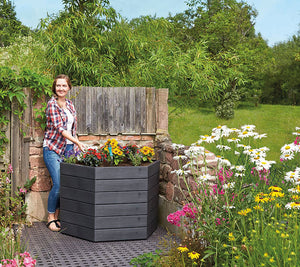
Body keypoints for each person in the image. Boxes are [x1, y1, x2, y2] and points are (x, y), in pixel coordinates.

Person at [43, 74, 86, 232]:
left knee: (66, 184)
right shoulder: (52, 105)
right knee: (59, 183)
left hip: (68, 149)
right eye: (58, 85)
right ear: (54, 88)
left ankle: (59, 216)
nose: (61, 88)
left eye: (64, 85)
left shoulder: (70, 104)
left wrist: (76, 145)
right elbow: (61, 130)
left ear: (69, 88)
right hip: (53, 149)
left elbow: (72, 129)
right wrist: (78, 142)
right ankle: (50, 217)